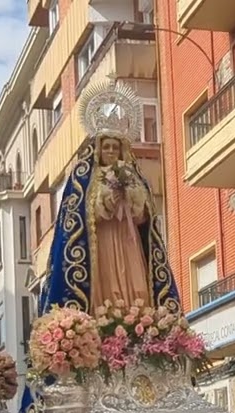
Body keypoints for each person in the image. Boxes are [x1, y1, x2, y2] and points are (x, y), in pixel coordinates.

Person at [38, 80, 180, 316]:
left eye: (115, 147)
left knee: (137, 288)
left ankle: (138, 316)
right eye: (107, 147)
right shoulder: (82, 179)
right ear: (98, 149)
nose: (111, 151)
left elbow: (146, 220)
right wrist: (108, 200)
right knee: (108, 289)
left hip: (129, 241)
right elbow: (79, 217)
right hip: (101, 241)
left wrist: (131, 199)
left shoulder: (135, 178)